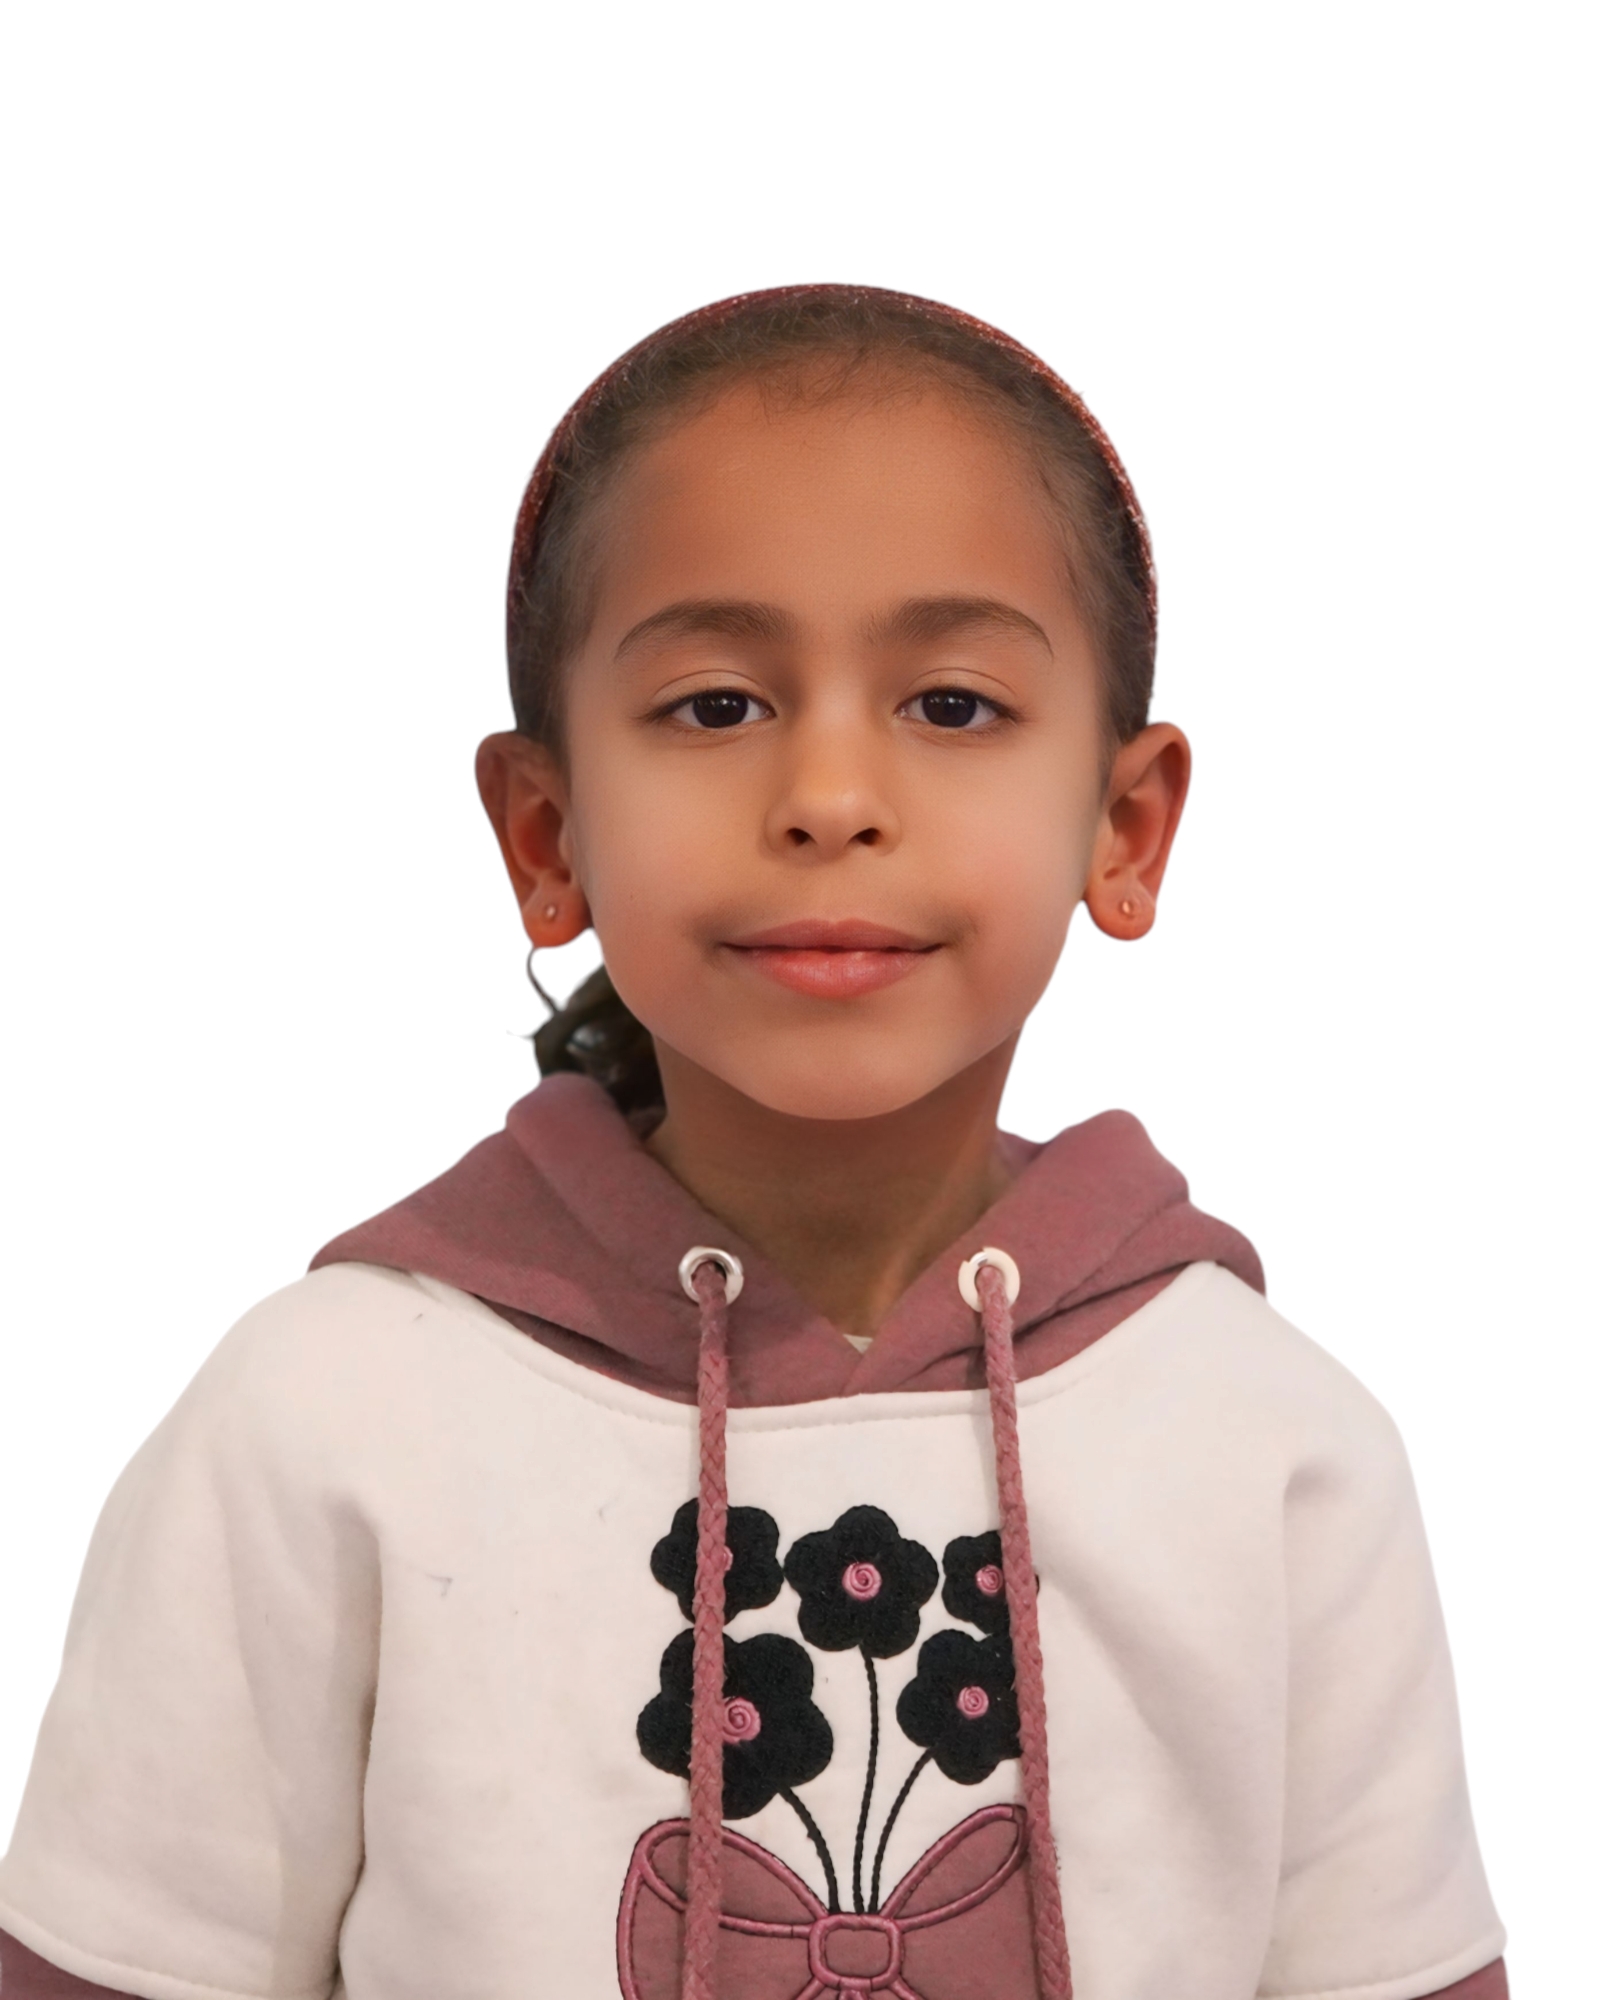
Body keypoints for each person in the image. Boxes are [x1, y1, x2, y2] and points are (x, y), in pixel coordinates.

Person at [0, 287, 1507, 2000]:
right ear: (547, 835)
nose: (830, 797)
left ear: (1127, 825)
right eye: (717, 706)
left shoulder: (1280, 1449)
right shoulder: (319, 1421)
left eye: (953, 704)